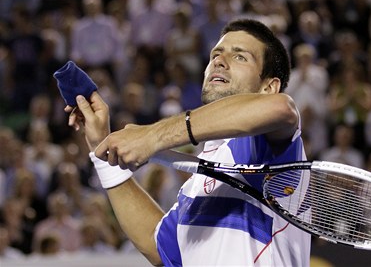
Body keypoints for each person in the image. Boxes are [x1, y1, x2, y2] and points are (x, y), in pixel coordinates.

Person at [65, 19, 311, 266]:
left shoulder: (264, 148)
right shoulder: (198, 182)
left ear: (269, 87)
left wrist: (153, 136)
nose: (219, 61)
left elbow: (282, 109)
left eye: (240, 57)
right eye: (216, 54)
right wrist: (101, 150)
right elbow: (158, 245)